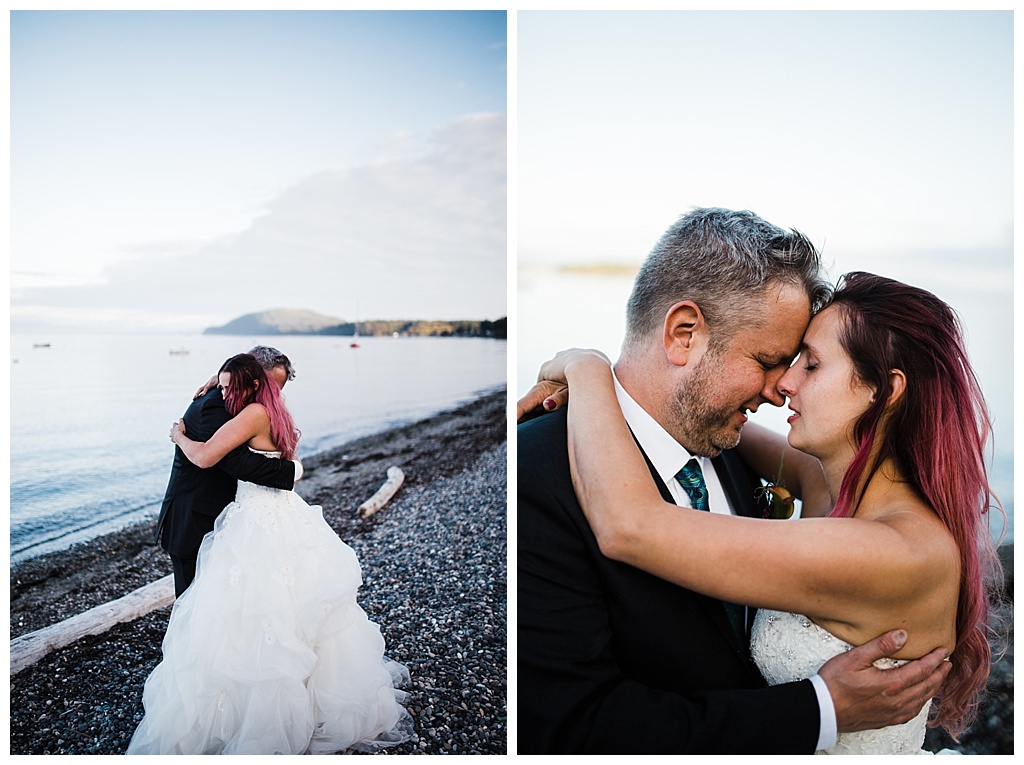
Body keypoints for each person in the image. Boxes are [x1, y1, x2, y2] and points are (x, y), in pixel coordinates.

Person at [516, 209, 953, 754]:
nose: (782, 388)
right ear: (683, 334)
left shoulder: (889, 542)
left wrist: (588, 368)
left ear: (883, 393)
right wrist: (599, 400)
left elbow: (630, 523)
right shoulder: (537, 473)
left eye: (806, 365)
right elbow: (569, 727)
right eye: (771, 360)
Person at [128, 354, 412, 754]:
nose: (276, 390)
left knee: (238, 611)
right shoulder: (220, 403)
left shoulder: (252, 407)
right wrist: (291, 466)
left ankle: (239, 705)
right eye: (271, 382)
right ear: (257, 379)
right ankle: (203, 681)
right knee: (210, 609)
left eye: (280, 385)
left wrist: (178, 435)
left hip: (252, 515)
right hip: (197, 517)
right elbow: (241, 458)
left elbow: (225, 459)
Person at [155, 348, 300, 597]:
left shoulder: (249, 406)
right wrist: (294, 469)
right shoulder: (215, 404)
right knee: (193, 607)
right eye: (269, 387)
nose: (272, 397)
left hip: (230, 519)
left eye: (278, 390)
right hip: (194, 522)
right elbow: (240, 464)